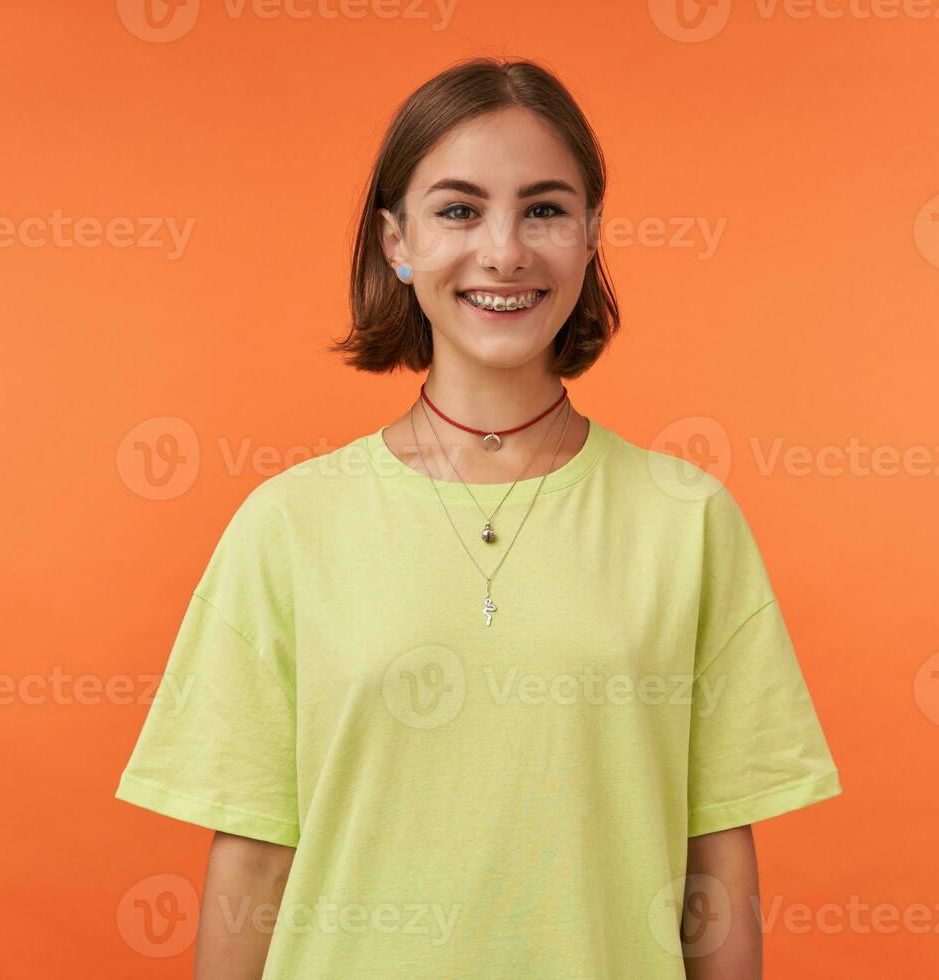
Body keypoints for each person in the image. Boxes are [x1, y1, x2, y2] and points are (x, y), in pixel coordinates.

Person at [114, 55, 841, 979]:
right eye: (459, 209)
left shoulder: (688, 522)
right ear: (396, 242)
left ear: (590, 237)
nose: (504, 251)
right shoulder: (288, 525)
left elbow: (714, 860)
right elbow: (253, 859)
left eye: (545, 208)